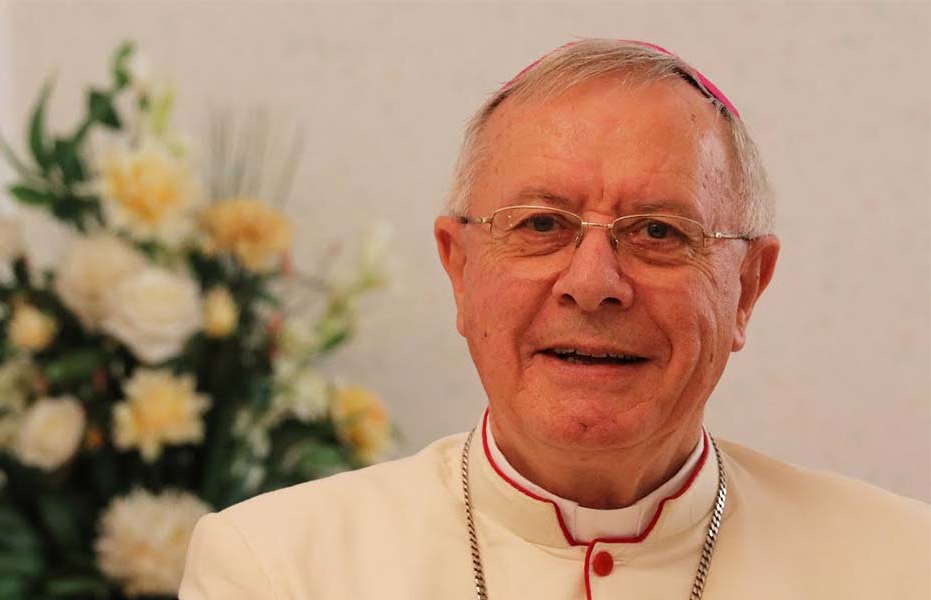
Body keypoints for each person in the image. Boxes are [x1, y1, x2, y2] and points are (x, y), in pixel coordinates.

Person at [179, 39, 930, 599]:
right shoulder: (279, 566)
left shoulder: (901, 565)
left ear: (747, 288)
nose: (593, 285)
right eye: (541, 224)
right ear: (459, 269)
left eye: (658, 231)